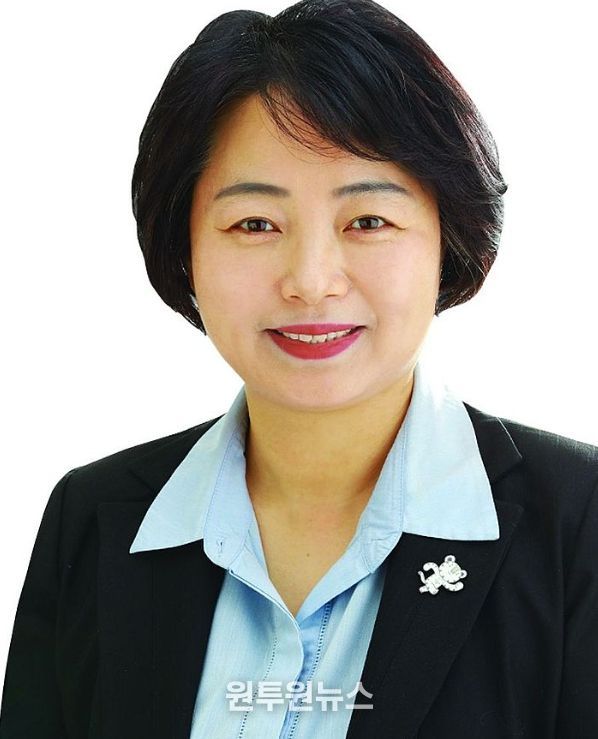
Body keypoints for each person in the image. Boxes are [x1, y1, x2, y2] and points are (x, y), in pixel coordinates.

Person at [1, 0, 597, 736]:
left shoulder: (579, 524)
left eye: (368, 221)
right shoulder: (92, 520)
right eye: (255, 223)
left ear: (449, 239)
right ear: (186, 248)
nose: (312, 282)